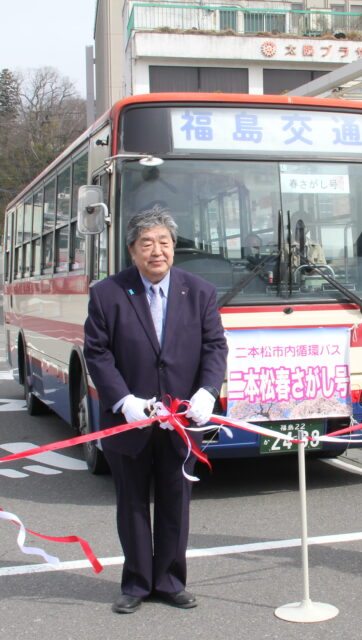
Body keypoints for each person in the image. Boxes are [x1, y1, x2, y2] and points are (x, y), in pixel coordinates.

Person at [84, 206, 228, 614]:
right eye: (147, 243)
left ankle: (169, 580)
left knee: (175, 501)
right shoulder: (107, 293)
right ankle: (136, 583)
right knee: (131, 502)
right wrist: (123, 400)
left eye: (164, 242)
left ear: (173, 248)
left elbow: (215, 346)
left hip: (182, 422)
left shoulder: (198, 291)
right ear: (132, 250)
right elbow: (97, 353)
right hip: (130, 421)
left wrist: (207, 392)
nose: (157, 251)